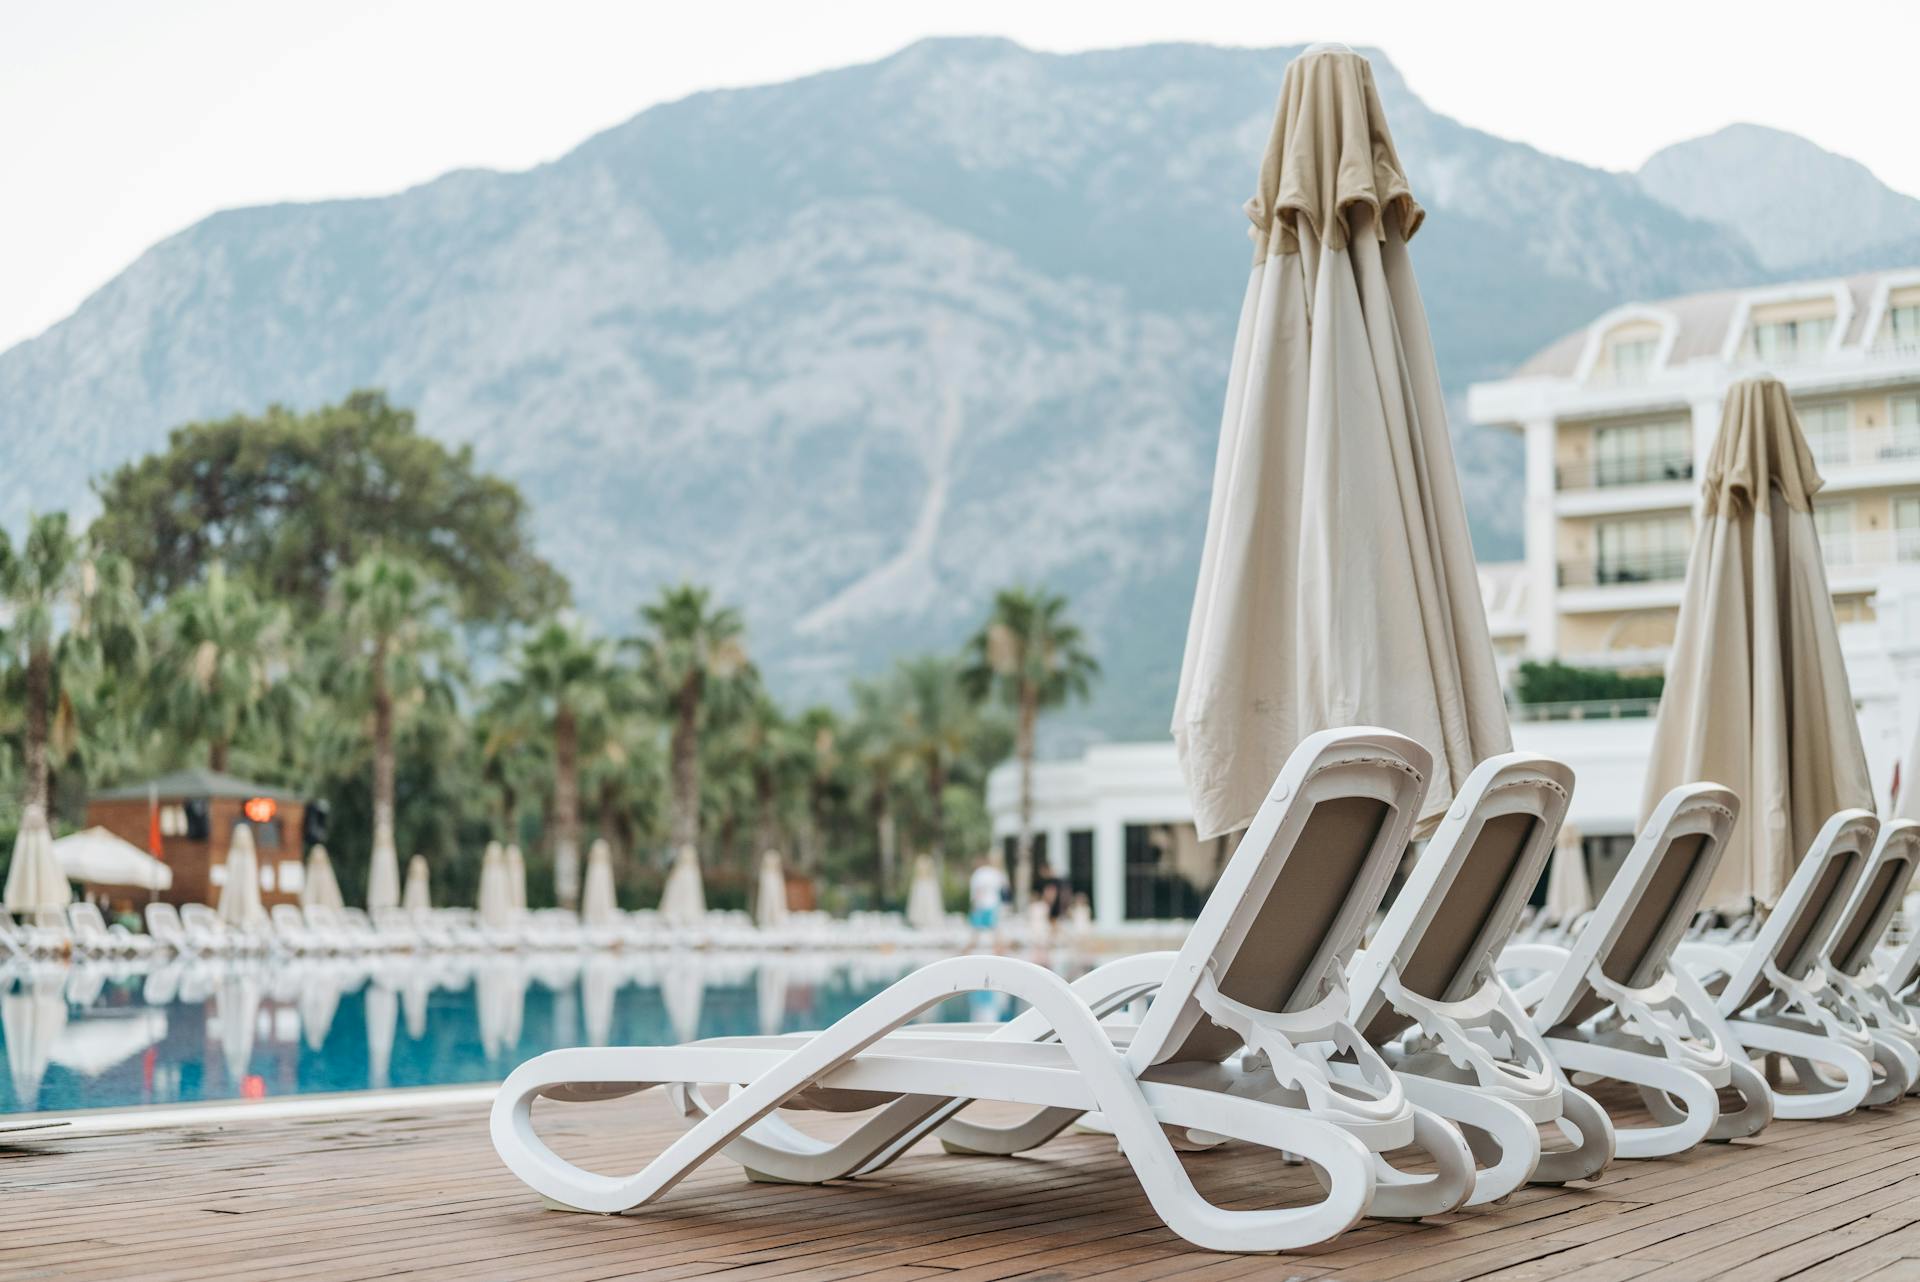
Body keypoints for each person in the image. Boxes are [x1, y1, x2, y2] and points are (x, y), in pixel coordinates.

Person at [968, 853, 1009, 944]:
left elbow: (978, 891)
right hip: (993, 905)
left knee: (977, 934)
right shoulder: (996, 873)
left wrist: (974, 906)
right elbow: (1005, 888)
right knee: (995, 934)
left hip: (982, 906)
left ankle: (964, 955)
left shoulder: (979, 873)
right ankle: (1000, 954)